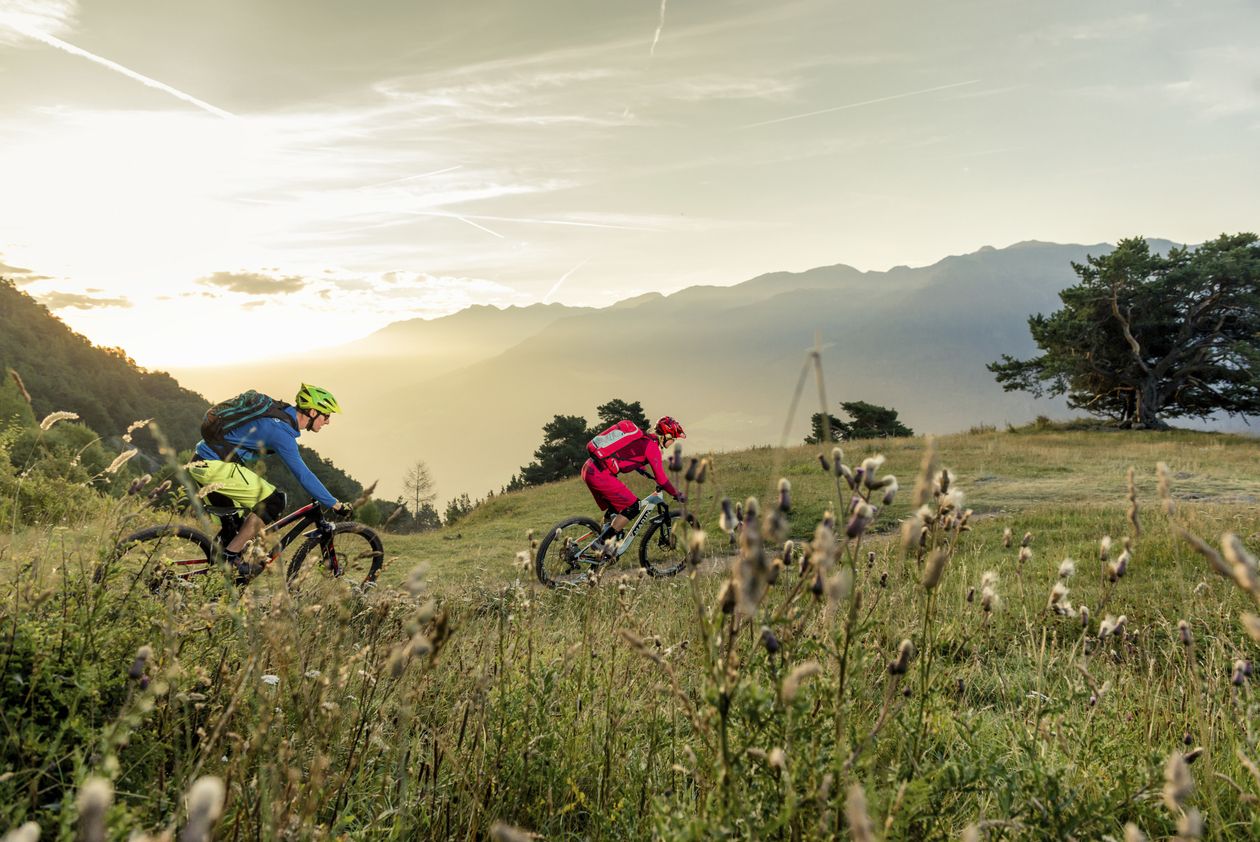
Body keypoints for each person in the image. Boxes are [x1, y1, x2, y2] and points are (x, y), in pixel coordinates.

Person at [187, 383, 351, 579]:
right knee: (274, 502)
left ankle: (210, 575)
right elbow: (303, 475)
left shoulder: (278, 414)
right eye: (327, 416)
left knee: (235, 528)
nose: (328, 422)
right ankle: (230, 559)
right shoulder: (281, 431)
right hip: (216, 466)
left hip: (199, 463)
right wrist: (334, 504)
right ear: (313, 412)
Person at [581, 416, 687, 555]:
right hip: (600, 475)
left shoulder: (642, 438)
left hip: (589, 468)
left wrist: (643, 471)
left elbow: (628, 455)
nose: (673, 442)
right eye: (673, 438)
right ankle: (602, 543)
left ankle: (603, 535)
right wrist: (676, 494)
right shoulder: (652, 447)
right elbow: (662, 479)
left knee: (615, 508)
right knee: (633, 507)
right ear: (666, 436)